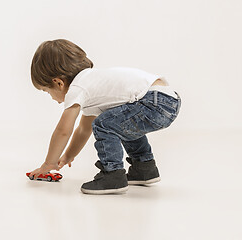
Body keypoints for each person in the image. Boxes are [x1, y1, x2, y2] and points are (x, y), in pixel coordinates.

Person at [29, 39, 181, 194]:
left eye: (47, 91)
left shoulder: (77, 87)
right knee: (121, 124)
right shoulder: (92, 86)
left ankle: (112, 175)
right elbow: (83, 129)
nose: (52, 98)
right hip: (167, 100)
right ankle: (144, 168)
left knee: (104, 124)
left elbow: (63, 130)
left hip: (153, 102)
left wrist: (48, 164)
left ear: (58, 82)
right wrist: (68, 155)